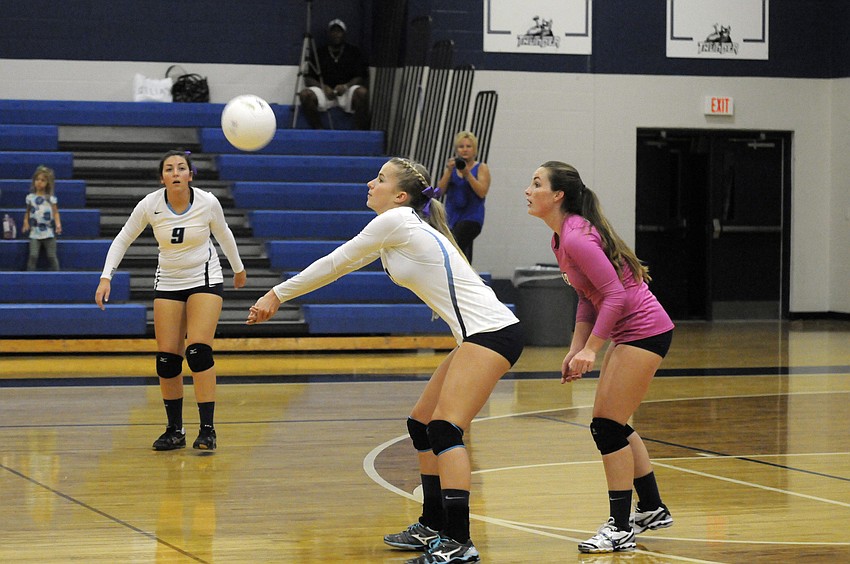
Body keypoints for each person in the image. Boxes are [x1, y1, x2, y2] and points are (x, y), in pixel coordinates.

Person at [248, 157, 523, 564]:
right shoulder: (400, 227)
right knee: (422, 425)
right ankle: (432, 524)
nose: (369, 183)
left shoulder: (395, 221)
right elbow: (347, 265)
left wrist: (277, 294)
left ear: (400, 195)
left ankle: (459, 541)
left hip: (492, 333)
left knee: (445, 429)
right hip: (479, 335)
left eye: (380, 179)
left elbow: (335, 262)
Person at [524, 161, 675, 554]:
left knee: (606, 427)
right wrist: (576, 347)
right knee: (614, 423)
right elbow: (587, 296)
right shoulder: (561, 239)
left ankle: (620, 527)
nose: (528, 190)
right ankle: (653, 509)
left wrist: (593, 348)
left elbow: (616, 296)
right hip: (631, 331)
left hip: (645, 329)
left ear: (558, 195)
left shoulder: (576, 238)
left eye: (536, 183)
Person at [95, 150, 247, 452]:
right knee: (167, 360)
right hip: (168, 282)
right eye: (169, 168)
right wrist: (105, 276)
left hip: (204, 278)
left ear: (190, 175)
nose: (175, 172)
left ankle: (207, 430)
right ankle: (174, 430)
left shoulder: (207, 202)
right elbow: (123, 238)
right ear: (162, 177)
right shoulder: (150, 205)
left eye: (181, 168)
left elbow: (225, 234)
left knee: (198, 352)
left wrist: (239, 268)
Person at [298, 18, 370, 130]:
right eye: (333, 31)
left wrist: (346, 86)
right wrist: (323, 87)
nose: (336, 34)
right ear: (328, 34)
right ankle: (319, 130)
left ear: (344, 34)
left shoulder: (353, 52)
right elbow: (308, 79)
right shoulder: (319, 53)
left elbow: (360, 77)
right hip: (325, 91)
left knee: (362, 92)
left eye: (339, 31)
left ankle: (357, 132)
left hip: (346, 92)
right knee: (305, 95)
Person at [436, 131, 490, 263]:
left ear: (475, 150)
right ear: (456, 150)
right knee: (464, 253)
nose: (465, 150)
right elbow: (439, 192)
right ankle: (468, 277)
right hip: (452, 217)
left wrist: (468, 174)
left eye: (468, 146)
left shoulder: (481, 168)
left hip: (472, 217)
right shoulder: (451, 168)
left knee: (455, 244)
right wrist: (448, 171)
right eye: (461, 146)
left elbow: (482, 192)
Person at [22, 165, 62, 270]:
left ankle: (56, 275)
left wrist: (58, 224)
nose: (39, 182)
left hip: (48, 231)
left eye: (43, 180)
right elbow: (27, 212)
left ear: (47, 183)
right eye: (37, 180)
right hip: (35, 232)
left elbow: (56, 212)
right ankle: (30, 275)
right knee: (33, 255)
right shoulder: (30, 198)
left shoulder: (51, 199)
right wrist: (26, 221)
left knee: (51, 256)